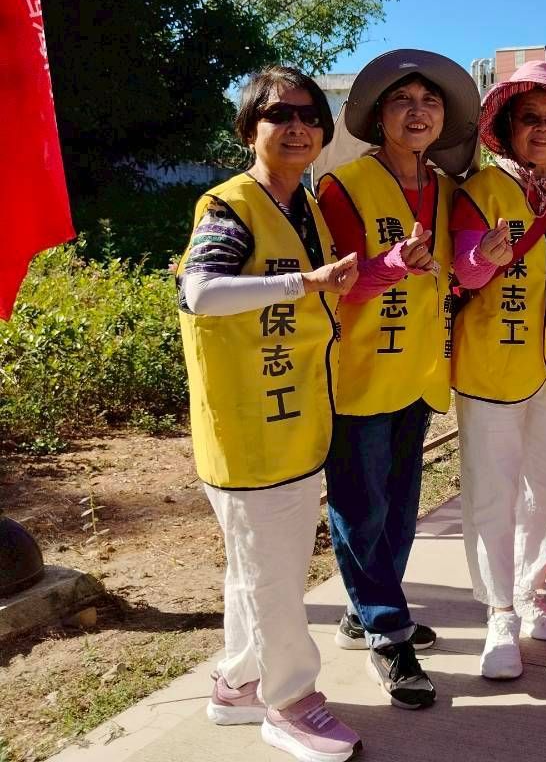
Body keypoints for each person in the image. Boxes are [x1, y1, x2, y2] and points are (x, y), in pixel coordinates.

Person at [176, 66, 361, 762]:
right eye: (279, 114)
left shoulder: (301, 203)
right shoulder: (228, 206)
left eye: (311, 115)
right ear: (249, 127)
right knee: (276, 578)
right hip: (250, 433)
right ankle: (292, 704)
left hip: (290, 423)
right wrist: (298, 282)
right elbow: (201, 292)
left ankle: (237, 682)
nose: (298, 126)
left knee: (253, 569)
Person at [314, 50, 478, 709]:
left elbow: (458, 268)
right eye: (403, 101)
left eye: (429, 102)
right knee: (361, 506)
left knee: (400, 507)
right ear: (379, 116)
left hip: (418, 371)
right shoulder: (343, 185)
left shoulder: (444, 188)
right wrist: (388, 263)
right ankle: (387, 632)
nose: (418, 112)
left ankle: (366, 611)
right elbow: (339, 280)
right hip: (359, 371)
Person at [449, 61, 546, 679]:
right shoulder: (479, 192)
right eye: (529, 118)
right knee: (492, 493)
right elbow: (461, 270)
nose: (541, 128)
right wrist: (483, 257)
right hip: (491, 369)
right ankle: (499, 614)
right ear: (507, 127)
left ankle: (532, 593)